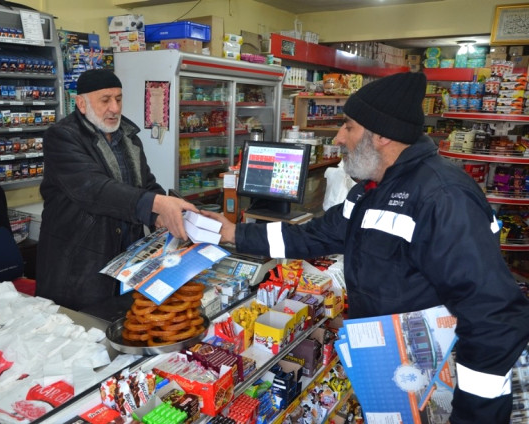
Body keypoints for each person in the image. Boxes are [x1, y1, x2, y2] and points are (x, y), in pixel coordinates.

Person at [204, 72, 529, 423]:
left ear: (382, 134)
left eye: (349, 126)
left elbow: (494, 320)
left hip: (438, 379)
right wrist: (235, 235)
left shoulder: (443, 197)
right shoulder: (372, 189)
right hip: (391, 367)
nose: (339, 138)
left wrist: (473, 417)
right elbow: (316, 235)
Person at [37, 69, 198, 311]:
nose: (114, 108)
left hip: (127, 261)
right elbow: (96, 189)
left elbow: (146, 183)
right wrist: (157, 204)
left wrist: (162, 213)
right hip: (81, 266)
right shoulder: (62, 137)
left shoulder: (128, 136)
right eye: (105, 100)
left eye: (119, 99)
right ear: (81, 103)